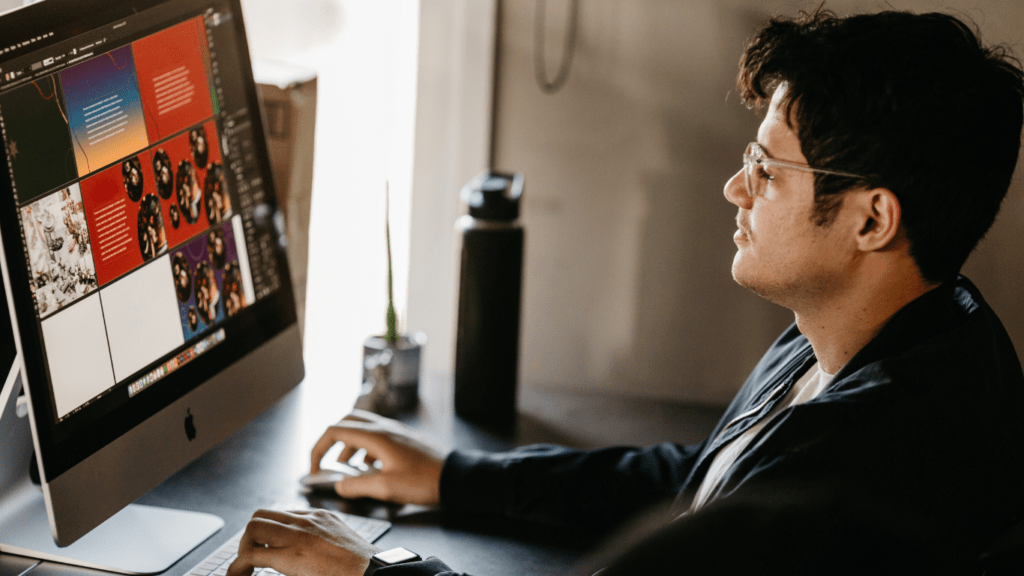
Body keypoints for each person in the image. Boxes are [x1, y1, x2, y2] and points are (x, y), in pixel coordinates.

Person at [227, 8, 1024, 576]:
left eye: (769, 171)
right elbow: (704, 479)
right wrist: (455, 475)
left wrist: (373, 569)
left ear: (871, 220)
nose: (733, 189)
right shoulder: (890, 325)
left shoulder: (869, 462)